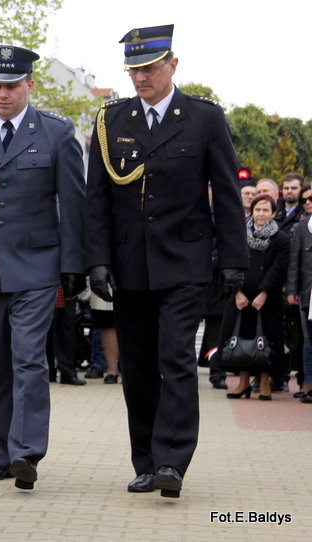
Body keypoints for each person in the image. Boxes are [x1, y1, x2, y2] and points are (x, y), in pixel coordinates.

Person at [85, 25, 248, 499]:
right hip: (130, 265)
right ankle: (147, 460)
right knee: (136, 365)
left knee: (175, 357)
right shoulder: (111, 121)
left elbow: (227, 193)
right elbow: (96, 199)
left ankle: (173, 461)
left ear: (172, 65)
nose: (141, 78)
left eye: (149, 68)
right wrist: (97, 260)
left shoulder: (202, 118)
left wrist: (233, 260)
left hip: (186, 262)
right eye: (133, 70)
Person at [0, 44, 86, 491]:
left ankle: (26, 452)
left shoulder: (55, 132)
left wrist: (73, 265)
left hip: (37, 265)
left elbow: (73, 202)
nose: (2, 93)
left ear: (29, 85)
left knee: (29, 359)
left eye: (11, 86)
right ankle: (0, 453)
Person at [222, 195, 289, 400]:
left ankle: (264, 382)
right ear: (252, 211)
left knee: (266, 341)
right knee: (242, 340)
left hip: (267, 298)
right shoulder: (240, 234)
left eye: (265, 210)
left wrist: (264, 292)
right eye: (257, 210)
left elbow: (279, 268)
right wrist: (237, 292)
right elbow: (230, 263)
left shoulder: (281, 238)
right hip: (242, 297)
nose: (261, 214)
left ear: (273, 213)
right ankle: (243, 383)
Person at [286, 197, 312, 399]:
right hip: (307, 292)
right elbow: (294, 261)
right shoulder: (303, 227)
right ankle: (308, 382)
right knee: (307, 339)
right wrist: (292, 290)